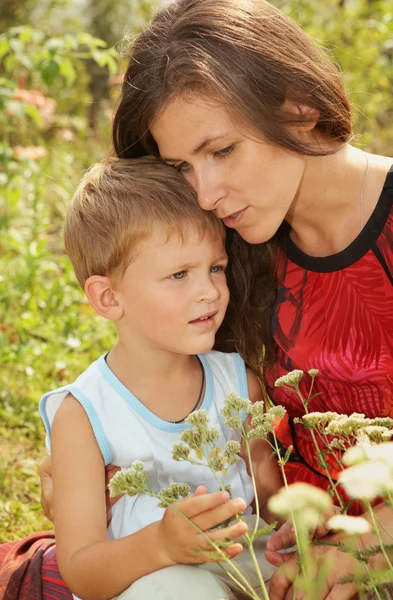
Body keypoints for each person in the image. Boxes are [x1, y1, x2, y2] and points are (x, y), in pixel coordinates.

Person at [38, 0, 392, 598]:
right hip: (264, 549)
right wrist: (92, 475)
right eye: (181, 165)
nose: (204, 193)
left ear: (301, 109)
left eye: (222, 150)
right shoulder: (229, 243)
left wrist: (367, 549)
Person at [38, 156, 280, 600]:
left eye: (216, 267)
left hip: (248, 567)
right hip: (158, 584)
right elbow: (80, 569)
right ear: (109, 297)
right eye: (178, 275)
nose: (209, 290)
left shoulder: (237, 384)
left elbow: (269, 489)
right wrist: (161, 545)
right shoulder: (85, 415)